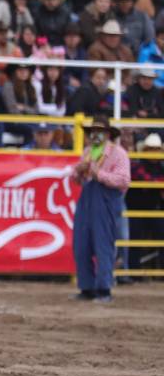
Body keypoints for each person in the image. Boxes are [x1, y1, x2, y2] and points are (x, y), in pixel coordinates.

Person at [71, 117, 130, 302]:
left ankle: (104, 288)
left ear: (107, 134)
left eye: (99, 131)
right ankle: (87, 287)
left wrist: (100, 175)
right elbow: (77, 180)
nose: (95, 134)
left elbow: (124, 180)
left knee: (103, 243)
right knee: (81, 243)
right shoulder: (88, 152)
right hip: (88, 197)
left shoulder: (118, 153)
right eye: (93, 131)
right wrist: (78, 171)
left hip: (106, 199)